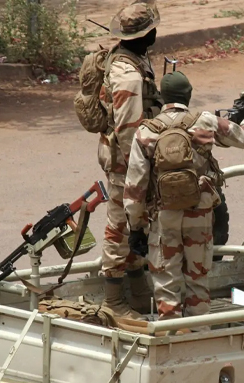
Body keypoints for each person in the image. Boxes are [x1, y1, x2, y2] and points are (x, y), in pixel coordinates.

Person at [124, 71, 244, 323]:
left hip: (164, 218)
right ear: (189, 95)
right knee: (197, 281)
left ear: (162, 98)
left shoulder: (145, 132)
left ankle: (171, 335)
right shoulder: (205, 121)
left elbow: (135, 188)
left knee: (167, 284)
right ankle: (198, 334)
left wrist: (137, 227)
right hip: (199, 215)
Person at [98, 0, 163, 320]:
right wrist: (141, 168)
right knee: (120, 227)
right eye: (152, 30)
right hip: (128, 161)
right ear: (142, 36)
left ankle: (138, 293)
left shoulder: (136, 57)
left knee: (139, 224)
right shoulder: (127, 76)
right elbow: (127, 131)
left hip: (134, 158)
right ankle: (113, 301)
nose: (156, 35)